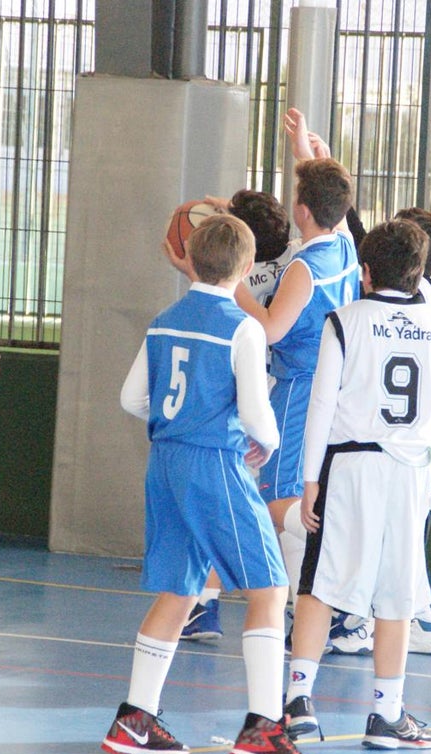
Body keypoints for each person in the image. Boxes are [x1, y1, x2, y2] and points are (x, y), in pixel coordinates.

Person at [102, 214, 319, 754]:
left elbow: (132, 399)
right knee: (269, 589)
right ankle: (263, 731)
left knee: (180, 589)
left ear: (190, 260)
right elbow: (256, 413)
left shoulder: (164, 319)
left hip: (166, 462)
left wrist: (177, 423)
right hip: (214, 463)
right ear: (247, 268)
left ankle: (134, 719)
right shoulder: (242, 326)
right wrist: (266, 443)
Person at [282, 219, 431, 748]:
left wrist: (308, 480)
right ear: (422, 272)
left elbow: (321, 406)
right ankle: (387, 715)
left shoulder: (344, 320)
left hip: (349, 468)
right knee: (397, 594)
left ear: (364, 272)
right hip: (412, 475)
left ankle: (299, 702)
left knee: (321, 583)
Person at [233, 109, 360, 645]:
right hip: (335, 387)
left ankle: (331, 592)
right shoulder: (348, 246)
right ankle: (310, 603)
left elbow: (269, 330)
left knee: (279, 501)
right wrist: (309, 157)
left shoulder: (304, 269)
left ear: (301, 213)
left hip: (299, 388)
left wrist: (231, 279)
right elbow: (331, 199)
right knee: (291, 498)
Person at [176, 189, 291, 643]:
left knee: (219, 514)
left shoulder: (240, 288)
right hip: (270, 394)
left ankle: (204, 605)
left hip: (234, 403)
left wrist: (192, 262)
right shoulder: (293, 265)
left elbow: (217, 295)